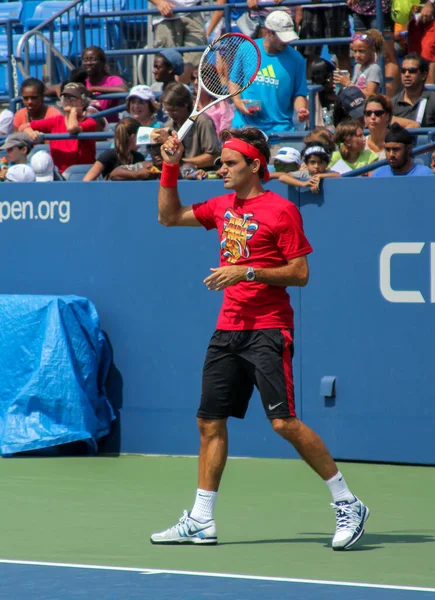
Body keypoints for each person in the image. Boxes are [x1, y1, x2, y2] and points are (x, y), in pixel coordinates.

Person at [150, 125, 370, 551]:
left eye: (230, 163)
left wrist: (247, 271)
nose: (222, 169)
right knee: (208, 422)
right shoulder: (221, 206)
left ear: (255, 165)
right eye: (221, 162)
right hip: (227, 330)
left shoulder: (281, 211)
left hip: (268, 328)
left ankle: (348, 503)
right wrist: (170, 167)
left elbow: (300, 273)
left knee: (283, 422)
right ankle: (201, 519)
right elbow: (168, 216)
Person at [231, 11, 309, 135]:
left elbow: (299, 93)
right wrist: (237, 102)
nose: (286, 42)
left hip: (280, 130)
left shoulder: (297, 59)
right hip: (244, 127)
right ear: (268, 33)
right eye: (282, 37)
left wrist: (301, 110)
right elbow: (234, 81)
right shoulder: (246, 48)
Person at [22, 83, 97, 174]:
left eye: (72, 98)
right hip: (58, 174)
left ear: (83, 102)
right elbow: (24, 126)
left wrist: (73, 111)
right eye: (65, 98)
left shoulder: (90, 122)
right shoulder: (56, 121)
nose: (68, 101)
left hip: (81, 174)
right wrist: (31, 133)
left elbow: (72, 128)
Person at [162, 82, 220, 169]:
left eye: (174, 110)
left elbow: (212, 157)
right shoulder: (169, 124)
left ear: (185, 104)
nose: (171, 115)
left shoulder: (204, 122)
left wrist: (179, 162)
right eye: (168, 111)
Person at [147, 0, 207, 84]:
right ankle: (174, 93)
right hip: (163, 15)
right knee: (166, 68)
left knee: (196, 68)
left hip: (194, 11)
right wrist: (159, 2)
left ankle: (179, 92)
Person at [348, 0, 399, 96]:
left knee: (387, 56)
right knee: (361, 55)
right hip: (358, 9)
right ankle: (363, 100)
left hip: (381, 7)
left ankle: (386, 101)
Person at [298, 0, 351, 77]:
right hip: (310, 5)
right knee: (311, 54)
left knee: (342, 53)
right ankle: (312, 87)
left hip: (336, 5)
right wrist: (298, 9)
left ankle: (344, 87)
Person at [82, 46, 128, 122]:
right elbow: (59, 87)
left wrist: (94, 89)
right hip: (86, 127)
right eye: (85, 60)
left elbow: (124, 90)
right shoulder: (82, 81)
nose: (89, 63)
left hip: (109, 128)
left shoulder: (112, 80)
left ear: (102, 62)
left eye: (93, 59)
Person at [333, 30, 384, 95]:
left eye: (361, 51)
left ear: (372, 49)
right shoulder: (357, 66)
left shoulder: (374, 69)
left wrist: (348, 83)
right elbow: (355, 90)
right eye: (355, 51)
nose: (357, 55)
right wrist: (343, 85)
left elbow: (370, 95)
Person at [391, 54, 435, 127]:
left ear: (423, 75)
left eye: (412, 71)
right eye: (403, 71)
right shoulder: (393, 103)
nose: (407, 74)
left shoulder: (433, 100)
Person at [191, 67, 234, 135]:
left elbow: (224, 136)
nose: (195, 82)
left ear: (212, 81)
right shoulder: (188, 103)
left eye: (200, 79)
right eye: (193, 78)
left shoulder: (223, 106)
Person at [408, 1, 435, 84]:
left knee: (428, 50)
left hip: (432, 15)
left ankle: (430, 95)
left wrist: (430, 3)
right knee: (413, 57)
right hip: (413, 17)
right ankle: (415, 95)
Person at [364, 94, 393, 158]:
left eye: (378, 113)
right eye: (368, 113)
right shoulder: (360, 145)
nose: (372, 117)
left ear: (387, 116)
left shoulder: (396, 144)